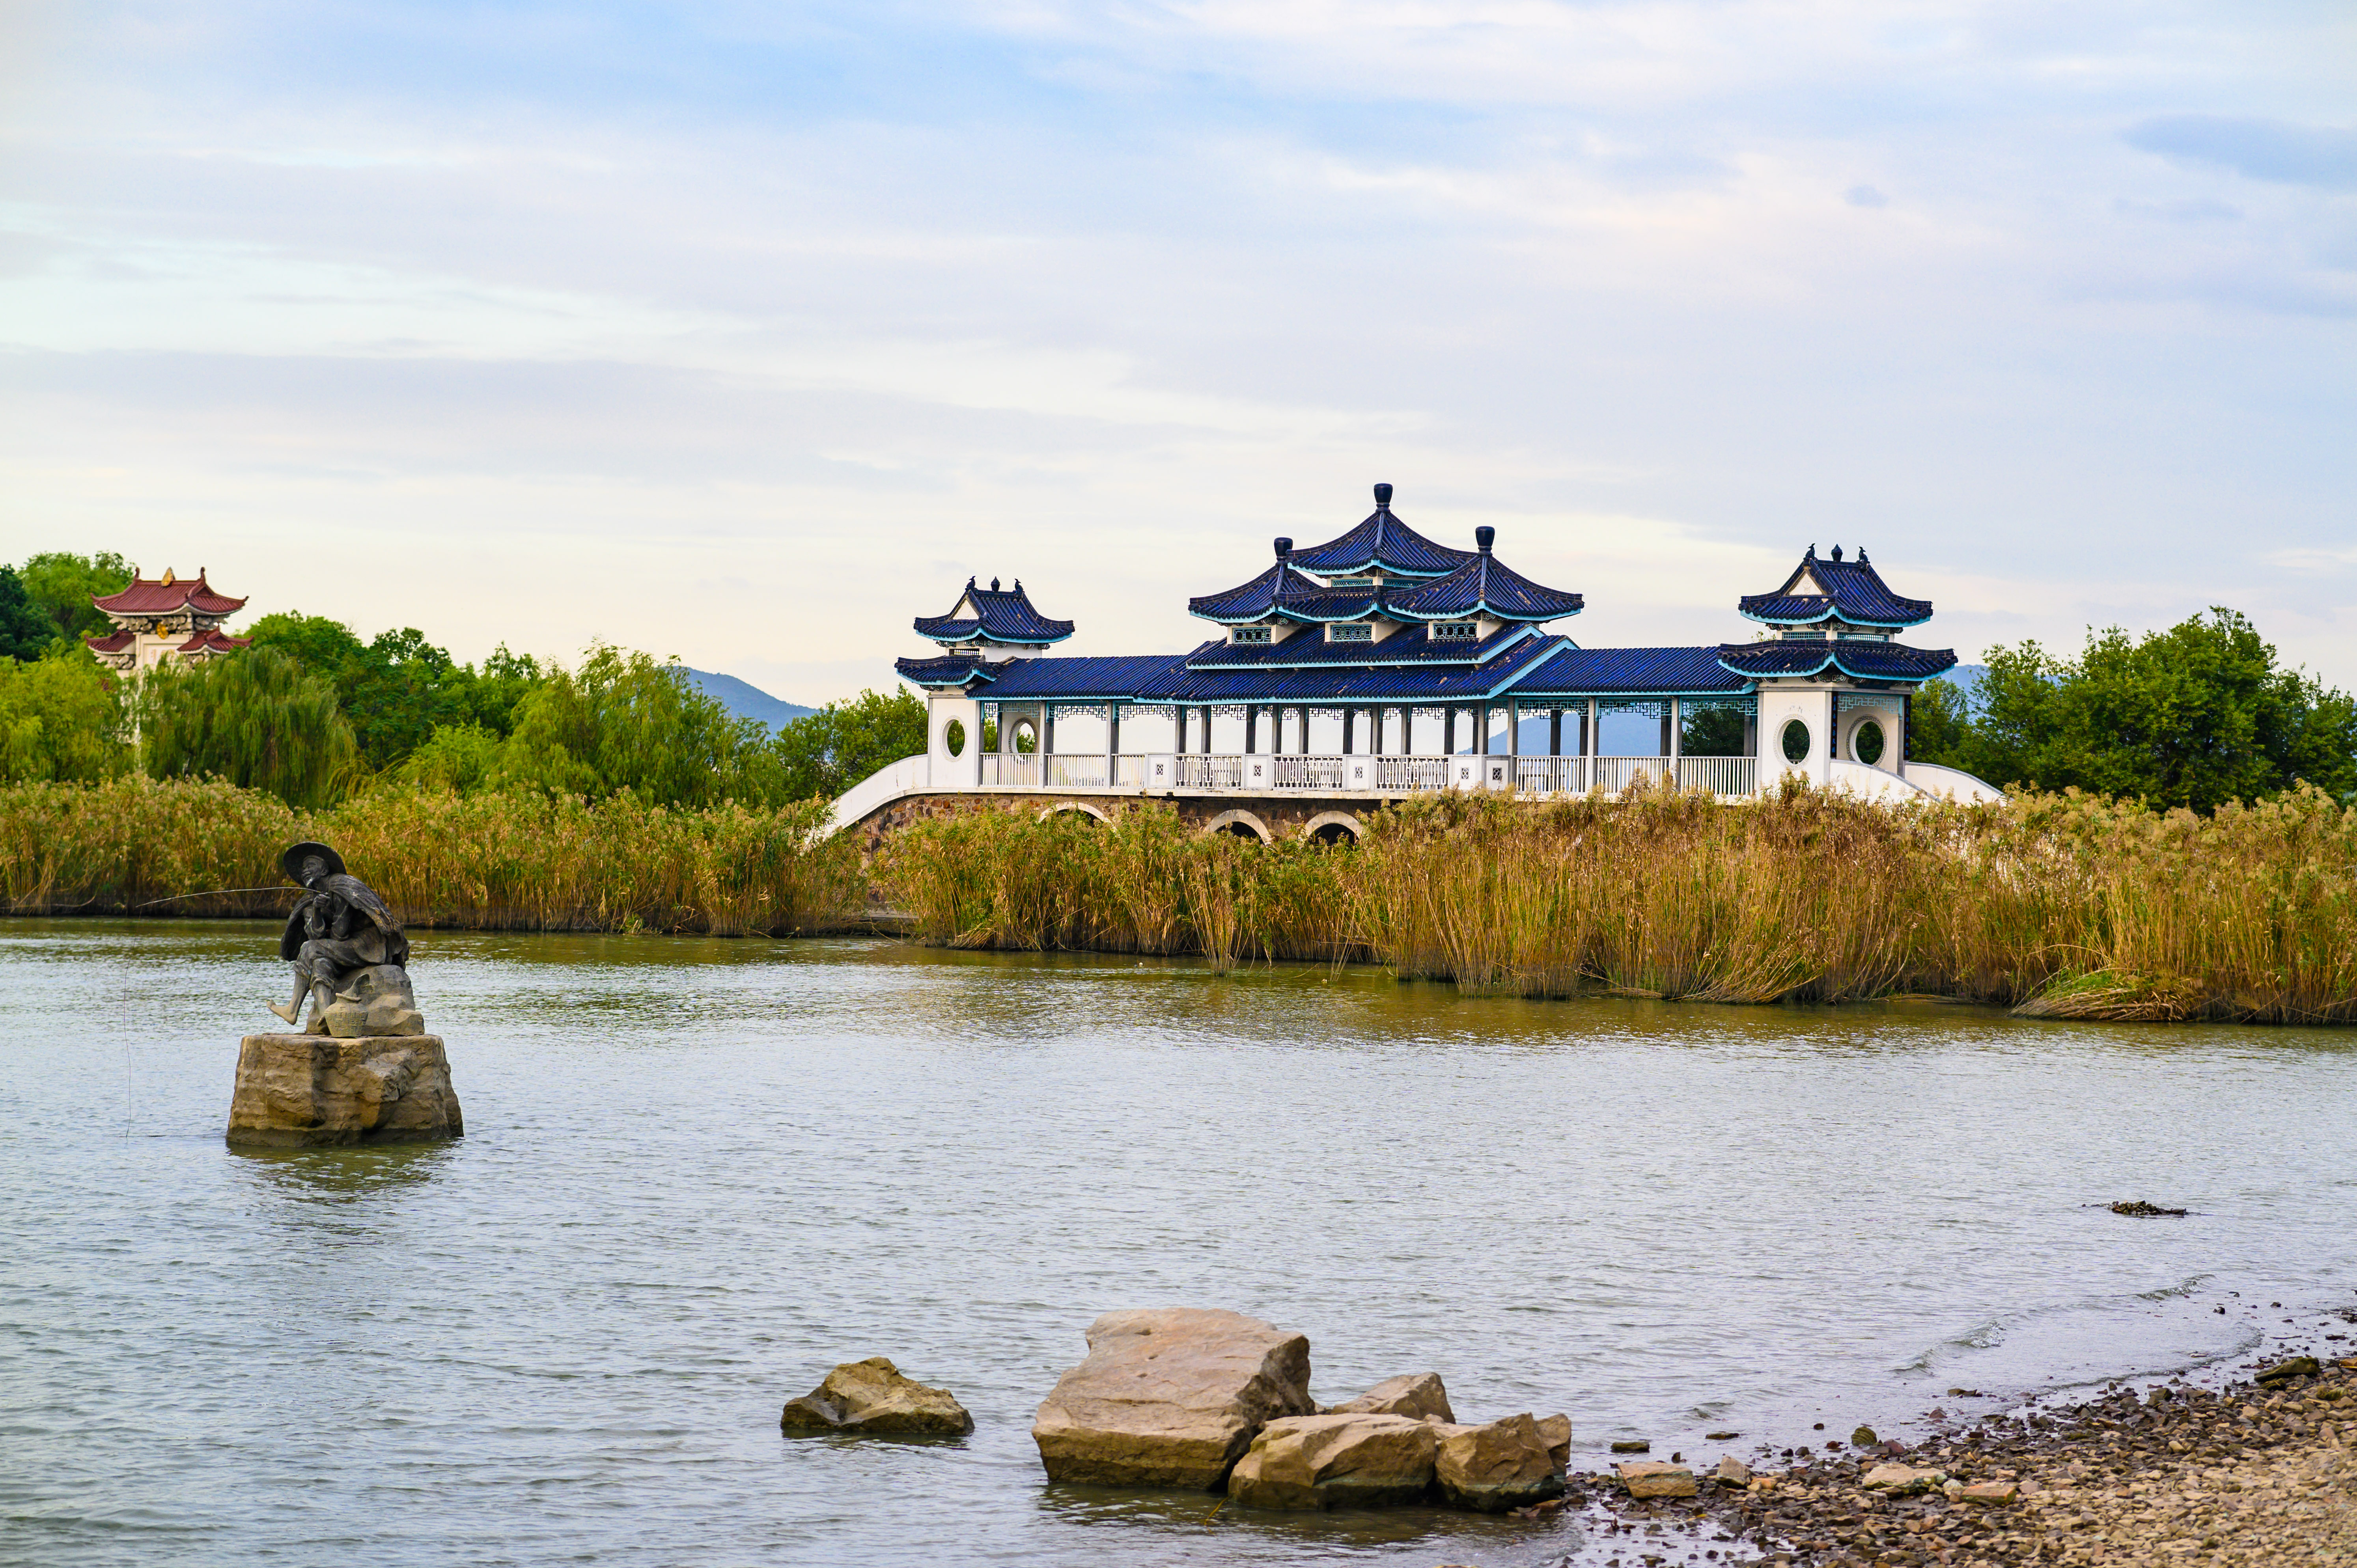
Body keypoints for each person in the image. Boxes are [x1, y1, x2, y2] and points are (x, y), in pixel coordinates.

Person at [268, 842, 410, 1030]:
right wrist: (317, 910)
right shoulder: (309, 900)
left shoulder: (341, 886)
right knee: (319, 963)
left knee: (309, 949)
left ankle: (293, 1007)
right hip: (343, 949)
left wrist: (324, 939)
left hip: (366, 946)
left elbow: (340, 935)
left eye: (311, 866)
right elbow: (315, 935)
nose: (305, 871)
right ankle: (327, 1017)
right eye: (303, 869)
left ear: (325, 869)